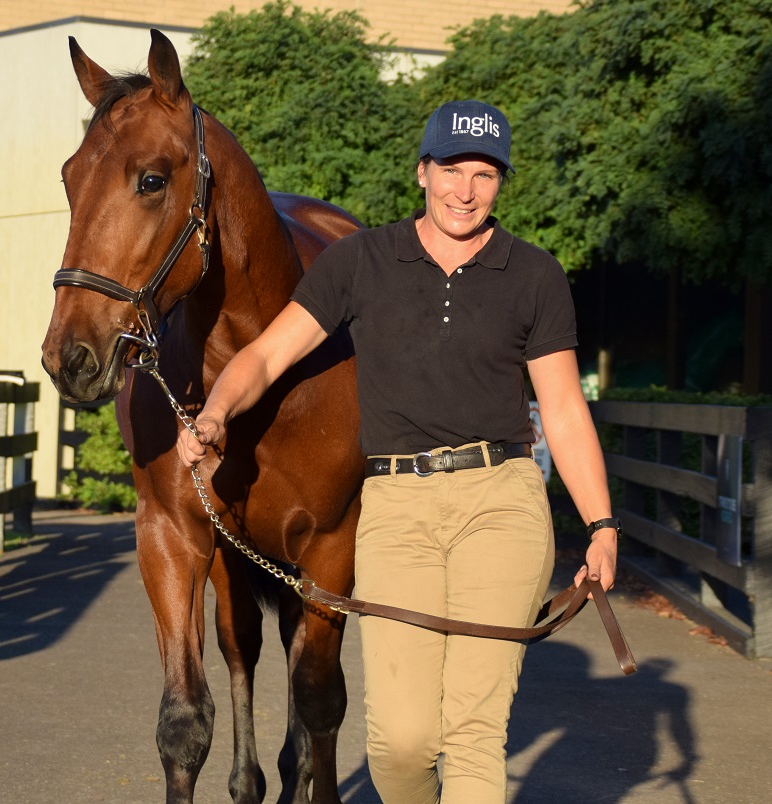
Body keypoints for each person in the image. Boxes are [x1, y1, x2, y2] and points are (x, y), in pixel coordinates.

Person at [177, 99, 618, 803]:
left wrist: (599, 523)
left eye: (483, 174)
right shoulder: (361, 261)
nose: (464, 190)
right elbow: (265, 355)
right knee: (401, 744)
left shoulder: (532, 275)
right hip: (395, 508)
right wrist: (215, 416)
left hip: (498, 503)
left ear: (500, 182)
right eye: (450, 169)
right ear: (421, 172)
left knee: (473, 732)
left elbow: (562, 410)